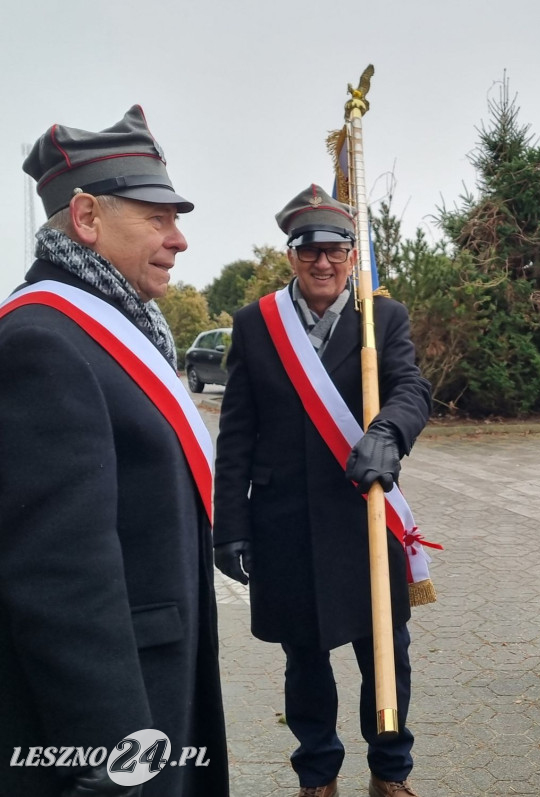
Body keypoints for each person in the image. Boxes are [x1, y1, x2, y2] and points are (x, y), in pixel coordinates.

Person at [0, 107, 228, 796]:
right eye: (157, 216)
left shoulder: (118, 331)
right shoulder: (44, 342)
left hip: (157, 679)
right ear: (88, 217)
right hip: (120, 724)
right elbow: (63, 585)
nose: (179, 238)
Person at [213, 185, 431, 797]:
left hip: (362, 514)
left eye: (337, 252)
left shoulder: (381, 316)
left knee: (385, 652)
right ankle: (317, 773)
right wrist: (228, 524)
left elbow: (412, 388)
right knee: (304, 660)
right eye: (311, 253)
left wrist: (389, 431)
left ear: (351, 256)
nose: (325, 264)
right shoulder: (257, 324)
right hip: (285, 523)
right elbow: (236, 434)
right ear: (292, 257)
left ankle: (390, 770)